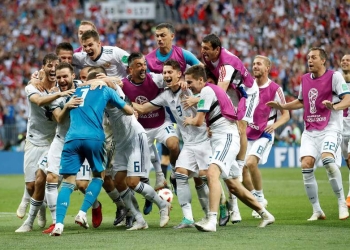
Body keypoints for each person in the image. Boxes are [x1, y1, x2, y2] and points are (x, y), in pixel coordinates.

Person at [183, 65, 275, 232]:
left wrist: (189, 120)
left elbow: (197, 121)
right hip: (223, 138)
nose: (188, 85)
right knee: (233, 185)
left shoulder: (206, 91)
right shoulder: (210, 91)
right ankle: (265, 214)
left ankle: (211, 220)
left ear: (201, 80)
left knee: (211, 173)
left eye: (190, 82)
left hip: (226, 138)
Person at [267, 47, 350, 221]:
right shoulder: (305, 79)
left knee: (328, 159)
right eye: (308, 58)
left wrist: (333, 107)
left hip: (331, 127)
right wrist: (283, 107)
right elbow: (300, 102)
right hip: (310, 130)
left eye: (313, 58)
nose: (309, 61)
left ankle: (342, 202)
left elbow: (347, 99)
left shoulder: (335, 76)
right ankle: (317, 210)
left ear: (323, 60)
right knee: (306, 165)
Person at [87, 69, 171, 230]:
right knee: (119, 181)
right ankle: (139, 220)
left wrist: (106, 80)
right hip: (121, 142)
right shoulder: (96, 101)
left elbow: (111, 84)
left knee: (133, 182)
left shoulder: (112, 89)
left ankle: (162, 205)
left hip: (135, 137)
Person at [50, 75, 134, 236]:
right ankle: (82, 213)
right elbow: (128, 111)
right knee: (99, 176)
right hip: (94, 138)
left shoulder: (74, 91)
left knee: (67, 182)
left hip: (72, 138)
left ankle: (59, 224)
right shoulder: (106, 90)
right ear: (101, 77)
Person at [133, 59, 210, 229]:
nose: (166, 75)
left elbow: (212, 95)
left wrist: (195, 99)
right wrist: (122, 101)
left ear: (179, 74)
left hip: (205, 139)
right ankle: (188, 218)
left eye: (170, 72)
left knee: (204, 177)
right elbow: (145, 108)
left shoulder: (190, 88)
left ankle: (212, 214)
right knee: (180, 175)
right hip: (189, 143)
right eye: (164, 73)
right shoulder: (166, 95)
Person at [199, 33, 259, 225]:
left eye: (207, 48)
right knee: (223, 123)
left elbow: (220, 89)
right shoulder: (207, 58)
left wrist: (200, 101)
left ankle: (239, 167)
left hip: (246, 93)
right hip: (231, 91)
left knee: (240, 126)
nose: (203, 51)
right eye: (202, 47)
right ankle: (233, 177)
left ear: (217, 49)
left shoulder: (227, 63)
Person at [15, 54, 75, 233]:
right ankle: (39, 208)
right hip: (34, 140)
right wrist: (59, 93)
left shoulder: (61, 86)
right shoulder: (33, 87)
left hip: (53, 141)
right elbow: (39, 101)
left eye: (55, 66)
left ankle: (30, 220)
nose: (52, 69)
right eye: (49, 65)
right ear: (43, 68)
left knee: (44, 179)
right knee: (31, 185)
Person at [230, 56, 290, 222]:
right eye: (254, 63)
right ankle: (258, 200)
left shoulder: (275, 89)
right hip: (246, 133)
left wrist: (275, 126)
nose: (254, 66)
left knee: (250, 163)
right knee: (241, 169)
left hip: (264, 133)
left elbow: (286, 114)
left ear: (267, 68)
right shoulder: (247, 87)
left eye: (258, 64)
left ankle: (260, 198)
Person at [146, 22, 203, 191]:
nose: (159, 39)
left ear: (172, 36)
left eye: (163, 35)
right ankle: (168, 175)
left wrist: (186, 78)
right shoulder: (149, 59)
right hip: (162, 109)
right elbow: (147, 83)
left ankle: (174, 174)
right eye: (157, 36)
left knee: (196, 164)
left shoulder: (183, 54)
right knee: (170, 146)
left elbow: (201, 69)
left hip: (183, 107)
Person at [121, 53, 180, 196]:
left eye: (144, 64)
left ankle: (173, 173)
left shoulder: (156, 78)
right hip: (140, 129)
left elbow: (173, 80)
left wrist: (182, 81)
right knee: (140, 176)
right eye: (139, 65)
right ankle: (150, 195)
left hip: (160, 123)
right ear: (130, 69)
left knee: (173, 144)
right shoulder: (122, 85)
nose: (143, 68)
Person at [340, 54, 350, 208]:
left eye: (348, 60)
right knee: (348, 162)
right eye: (343, 60)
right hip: (340, 128)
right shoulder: (336, 81)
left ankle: (348, 198)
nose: (345, 62)